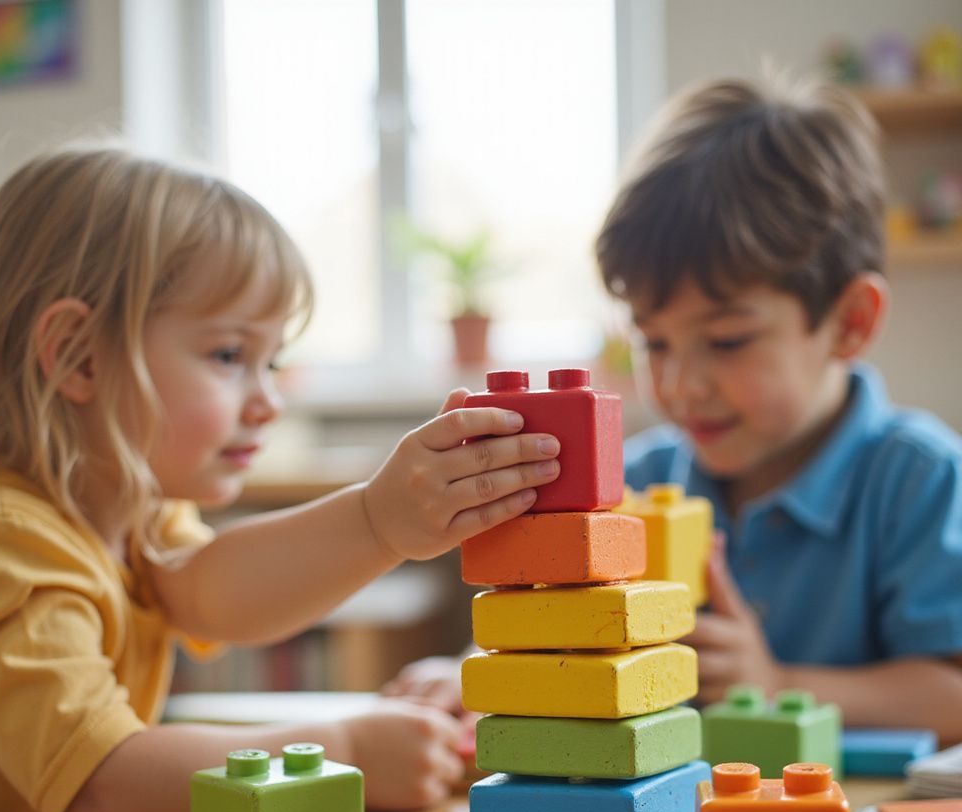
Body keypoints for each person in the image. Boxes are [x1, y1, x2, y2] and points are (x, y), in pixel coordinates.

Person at [0, 146, 562, 812]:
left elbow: (215, 595)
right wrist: (345, 746)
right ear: (79, 355)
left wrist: (380, 524)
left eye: (271, 361)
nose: (267, 401)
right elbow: (105, 782)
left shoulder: (133, 513)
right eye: (230, 356)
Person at [387, 73, 962, 745]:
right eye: (653, 342)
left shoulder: (920, 480)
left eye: (726, 341)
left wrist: (775, 683)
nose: (681, 384)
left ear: (850, 323)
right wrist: (473, 674)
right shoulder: (628, 484)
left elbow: (951, 695)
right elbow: (543, 625)